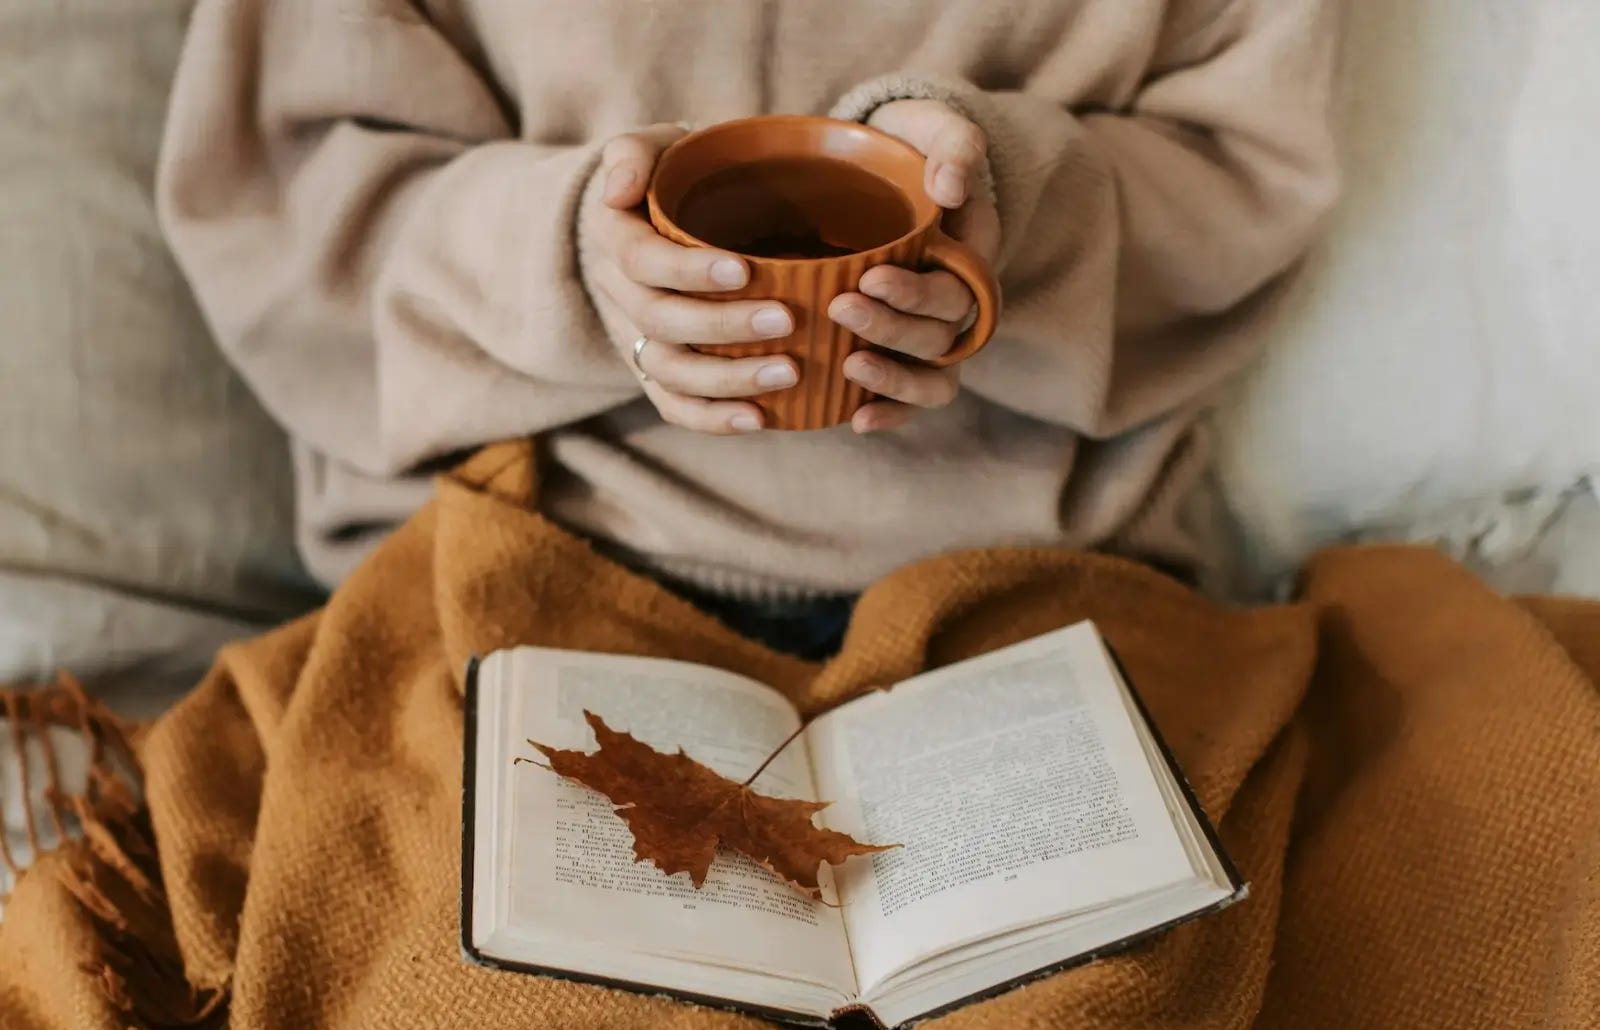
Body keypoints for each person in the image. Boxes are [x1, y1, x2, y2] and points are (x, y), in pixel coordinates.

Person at [157, 0, 1340, 659]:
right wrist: (573, 257)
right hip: (532, 560)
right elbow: (288, 208)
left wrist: (1009, 207)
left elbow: (1242, 177)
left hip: (1040, 585)